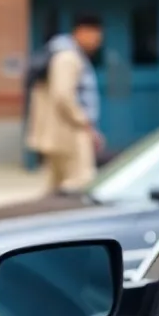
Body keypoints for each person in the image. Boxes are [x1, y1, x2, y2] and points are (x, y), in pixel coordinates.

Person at [26, 14, 105, 194]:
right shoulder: (68, 57)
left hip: (57, 133)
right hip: (68, 133)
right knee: (80, 183)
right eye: (96, 36)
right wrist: (83, 122)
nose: (97, 42)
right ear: (82, 32)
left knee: (55, 186)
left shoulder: (59, 53)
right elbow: (63, 95)